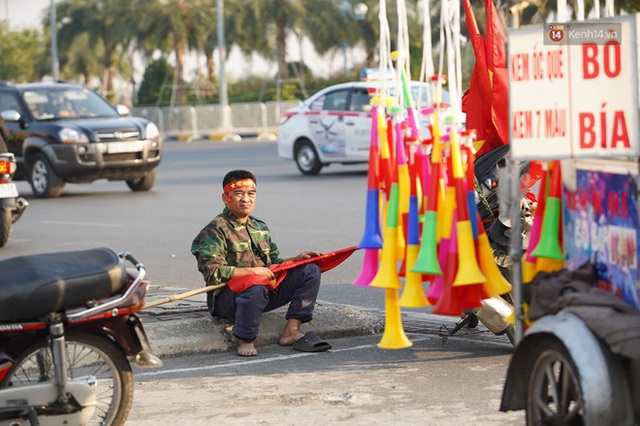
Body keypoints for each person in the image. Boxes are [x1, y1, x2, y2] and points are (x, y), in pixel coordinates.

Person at [191, 169, 331, 357]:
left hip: (264, 290)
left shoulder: (260, 227)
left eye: (251, 194)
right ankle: (246, 340)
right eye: (238, 193)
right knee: (255, 285)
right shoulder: (215, 230)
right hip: (229, 299)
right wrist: (253, 272)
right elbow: (213, 273)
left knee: (310, 269)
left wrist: (296, 260)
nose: (246, 199)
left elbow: (274, 263)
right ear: (226, 198)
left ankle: (292, 331)